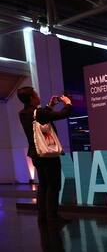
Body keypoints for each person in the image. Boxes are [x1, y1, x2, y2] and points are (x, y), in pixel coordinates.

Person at [17, 87, 72, 225]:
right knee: (53, 185)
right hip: (48, 154)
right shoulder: (38, 113)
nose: (37, 96)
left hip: (36, 154)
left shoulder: (23, 113)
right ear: (31, 98)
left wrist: (49, 106)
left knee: (43, 185)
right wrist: (68, 103)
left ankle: (43, 216)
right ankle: (52, 217)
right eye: (35, 94)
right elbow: (62, 115)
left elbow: (42, 115)